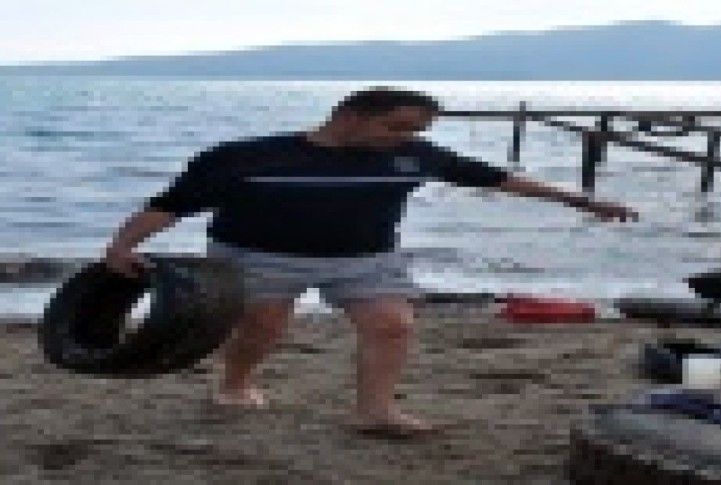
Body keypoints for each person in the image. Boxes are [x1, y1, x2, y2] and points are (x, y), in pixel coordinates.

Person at [103, 86, 637, 438]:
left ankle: (376, 413)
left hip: (365, 259)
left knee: (392, 324)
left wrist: (582, 202)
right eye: (396, 127)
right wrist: (122, 247)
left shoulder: (415, 157)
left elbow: (497, 179)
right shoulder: (245, 157)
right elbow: (168, 206)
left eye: (415, 132)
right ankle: (236, 384)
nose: (405, 140)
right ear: (349, 116)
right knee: (264, 328)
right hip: (260, 256)